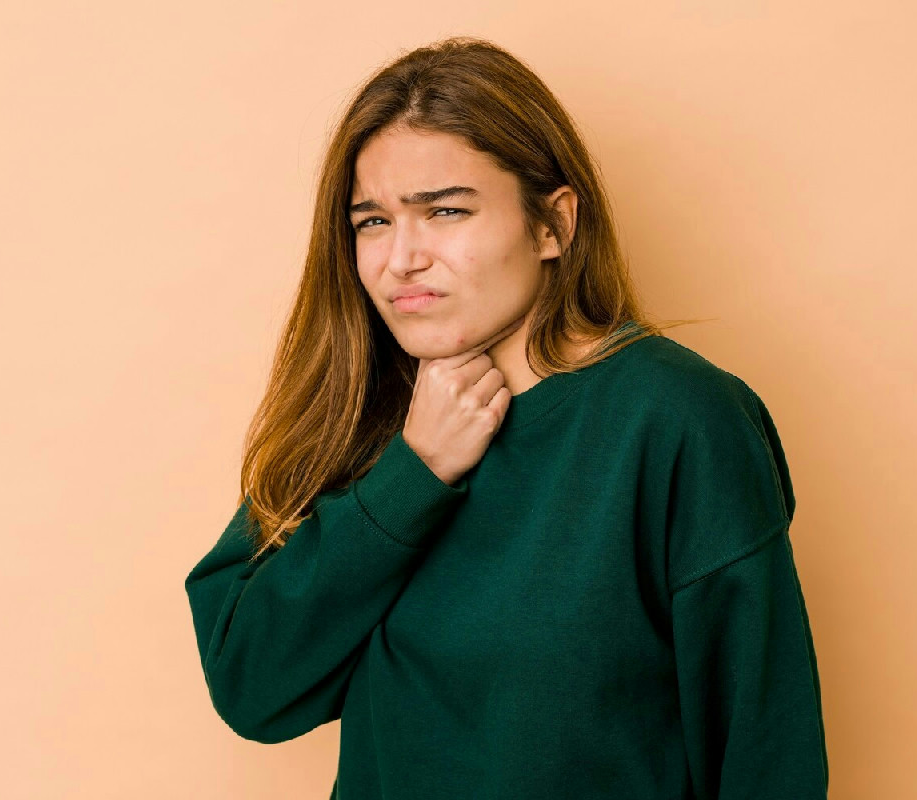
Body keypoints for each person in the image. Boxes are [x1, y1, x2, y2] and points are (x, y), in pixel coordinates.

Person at [184, 35, 828, 800]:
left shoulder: (678, 421)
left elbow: (765, 753)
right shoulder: (362, 410)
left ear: (553, 224)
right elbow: (250, 686)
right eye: (372, 222)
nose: (402, 259)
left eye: (445, 212)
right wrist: (410, 477)